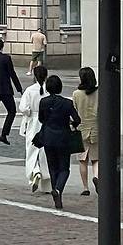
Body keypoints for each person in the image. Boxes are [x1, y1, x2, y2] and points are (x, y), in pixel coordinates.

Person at [39, 75, 81, 210]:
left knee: (52, 166)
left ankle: (56, 192)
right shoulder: (67, 103)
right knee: (64, 168)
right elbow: (77, 119)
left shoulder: (43, 102)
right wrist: (71, 124)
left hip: (48, 137)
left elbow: (41, 118)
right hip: (63, 137)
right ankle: (58, 189)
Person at [19, 65, 51, 193]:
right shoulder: (48, 90)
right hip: (46, 122)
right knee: (45, 152)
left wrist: (29, 112)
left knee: (32, 150)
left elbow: (23, 108)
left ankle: (34, 170)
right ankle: (47, 183)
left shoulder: (30, 90)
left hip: (33, 121)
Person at [72, 67, 99, 196]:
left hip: (81, 129)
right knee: (96, 159)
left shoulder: (76, 94)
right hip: (96, 128)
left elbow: (74, 112)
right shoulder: (99, 92)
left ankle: (85, 187)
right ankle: (97, 176)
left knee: (83, 160)